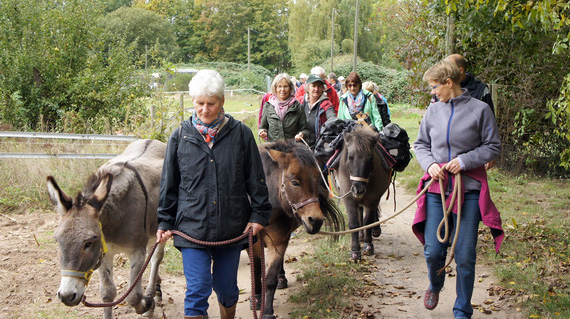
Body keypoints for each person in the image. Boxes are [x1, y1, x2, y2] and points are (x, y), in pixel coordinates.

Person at [156, 69, 272, 319]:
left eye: (211, 103)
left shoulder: (241, 135)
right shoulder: (180, 137)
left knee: (227, 290)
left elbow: (256, 180)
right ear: (193, 102)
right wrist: (164, 221)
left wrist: (259, 215)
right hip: (191, 228)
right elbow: (169, 185)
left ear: (222, 102)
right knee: (197, 290)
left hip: (231, 228)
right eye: (200, 103)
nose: (205, 109)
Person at [412, 59, 504, 319]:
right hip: (436, 189)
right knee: (432, 250)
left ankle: (462, 309)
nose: (432, 92)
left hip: (469, 190)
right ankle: (435, 284)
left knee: (464, 254)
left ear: (448, 82)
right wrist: (430, 165)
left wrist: (464, 161)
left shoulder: (480, 109)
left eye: (434, 87)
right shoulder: (433, 111)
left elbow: (493, 146)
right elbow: (421, 145)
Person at [446, 54, 497, 170]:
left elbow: (490, 123)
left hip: (473, 154)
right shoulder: (442, 88)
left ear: (460, 70)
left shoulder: (481, 89)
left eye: (448, 68)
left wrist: (490, 154)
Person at [258, 73, 309, 142]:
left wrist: (302, 134)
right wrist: (262, 132)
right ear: (275, 88)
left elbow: (305, 130)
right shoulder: (268, 106)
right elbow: (262, 127)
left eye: (285, 86)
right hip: (273, 149)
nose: (282, 89)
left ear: (290, 88)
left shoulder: (298, 107)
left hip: (292, 149)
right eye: (279, 86)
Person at [301, 74, 337, 148]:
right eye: (313, 86)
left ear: (323, 89)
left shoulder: (326, 104)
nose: (316, 89)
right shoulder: (301, 102)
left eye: (319, 86)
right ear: (308, 88)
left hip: (318, 146)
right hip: (301, 145)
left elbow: (332, 118)